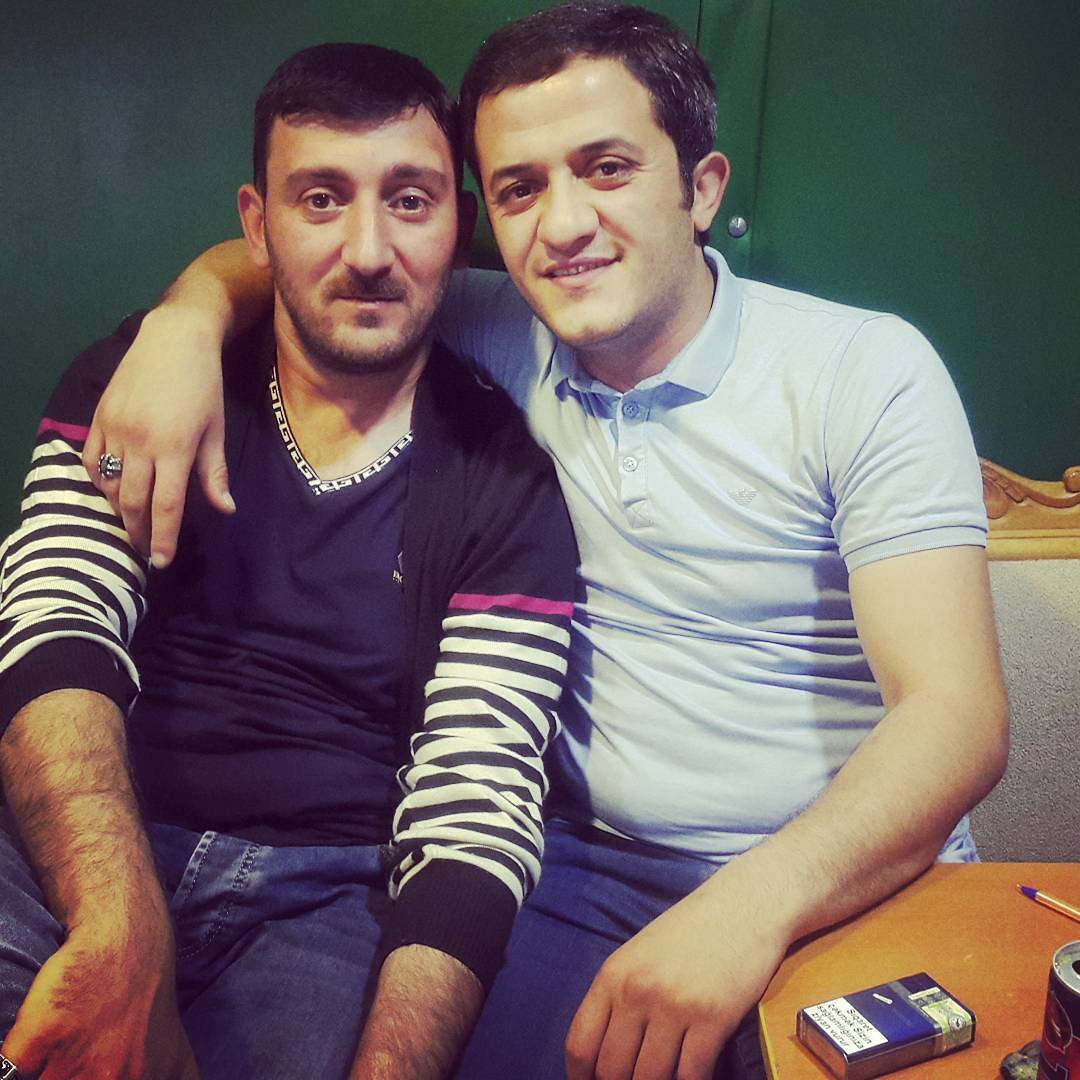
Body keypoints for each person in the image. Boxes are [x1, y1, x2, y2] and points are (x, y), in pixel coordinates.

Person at [79, 5, 1009, 1079]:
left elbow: (955, 717)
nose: (562, 226)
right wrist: (186, 322)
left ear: (702, 188)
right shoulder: (492, 327)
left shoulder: (863, 371)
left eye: (607, 168)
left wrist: (746, 910)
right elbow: (302, 257)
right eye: (520, 188)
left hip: (846, 875)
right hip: (580, 869)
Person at [0, 42, 577, 1080]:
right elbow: (54, 630)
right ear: (257, 224)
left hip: (328, 892)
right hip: (81, 825)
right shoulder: (141, 382)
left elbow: (474, 807)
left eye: (410, 200)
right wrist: (122, 926)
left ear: (459, 226)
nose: (368, 250)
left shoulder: (506, 482)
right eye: (320, 199)